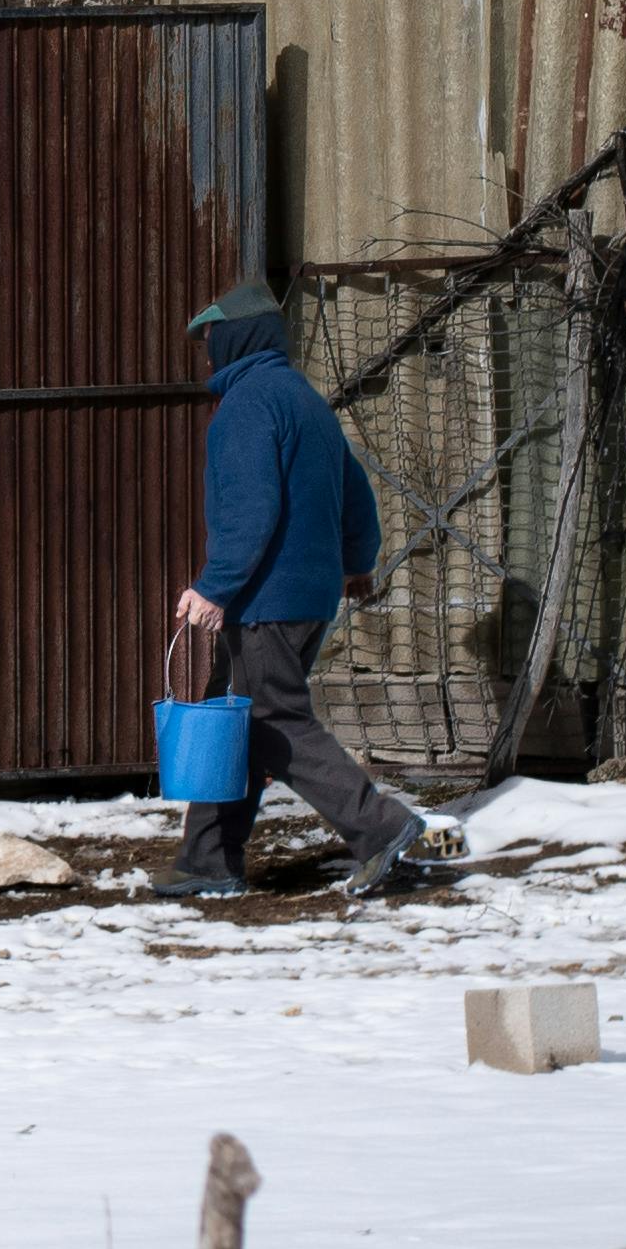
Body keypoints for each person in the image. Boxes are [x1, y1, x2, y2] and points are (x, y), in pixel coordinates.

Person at [168, 283, 438, 898]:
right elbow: (358, 494)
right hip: (308, 597)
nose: (207, 351)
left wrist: (216, 586)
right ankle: (207, 858)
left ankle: (384, 827)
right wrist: (354, 563)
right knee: (231, 720)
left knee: (271, 721)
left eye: (211, 337)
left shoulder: (244, 407)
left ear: (237, 337)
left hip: (267, 599)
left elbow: (250, 509)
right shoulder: (306, 403)